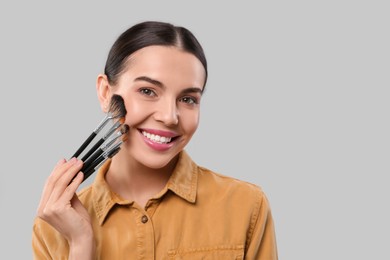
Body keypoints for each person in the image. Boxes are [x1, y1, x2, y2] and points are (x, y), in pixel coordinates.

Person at [32, 21, 278, 259]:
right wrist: (80, 244)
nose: (170, 117)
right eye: (148, 91)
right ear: (106, 93)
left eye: (188, 99)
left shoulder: (246, 206)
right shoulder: (53, 227)